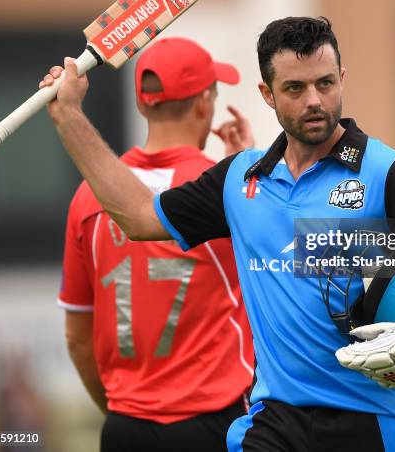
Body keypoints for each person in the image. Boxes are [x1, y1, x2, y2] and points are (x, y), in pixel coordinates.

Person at [41, 17, 395, 452]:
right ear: (267, 94)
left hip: (370, 423)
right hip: (273, 426)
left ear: (342, 81)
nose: (314, 100)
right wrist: (70, 120)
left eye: (325, 83)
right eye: (295, 87)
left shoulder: (391, 173)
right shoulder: (238, 180)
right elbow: (140, 216)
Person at [56, 37, 254, 452]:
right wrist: (244, 170)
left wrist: (118, 411)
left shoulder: (89, 195)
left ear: (143, 105)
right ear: (204, 104)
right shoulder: (225, 191)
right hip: (216, 423)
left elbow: (78, 338)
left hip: (126, 427)